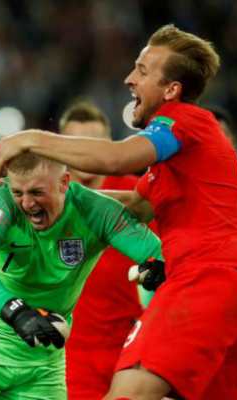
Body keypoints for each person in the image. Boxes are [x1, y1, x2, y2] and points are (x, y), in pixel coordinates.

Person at [0, 24, 237, 400]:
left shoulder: (184, 119)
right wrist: (44, 196)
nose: (129, 79)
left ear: (171, 90)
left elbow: (117, 157)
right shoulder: (179, 164)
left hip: (205, 277)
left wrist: (31, 139)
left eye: (142, 70)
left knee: (129, 393)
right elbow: (132, 205)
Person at [0, 152, 163, 399]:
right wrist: (16, 311)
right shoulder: (0, 201)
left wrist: (159, 267)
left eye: (37, 192)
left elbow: (157, 253)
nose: (27, 204)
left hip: (42, 367)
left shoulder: (94, 211)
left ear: (64, 182)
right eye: (18, 192)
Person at [57, 100, 149, 399]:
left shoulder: (138, 201)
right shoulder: (47, 203)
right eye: (75, 144)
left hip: (134, 352)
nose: (87, 154)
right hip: (73, 357)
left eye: (95, 144)